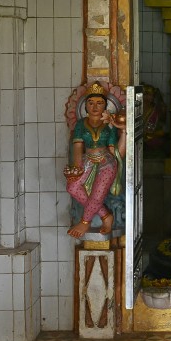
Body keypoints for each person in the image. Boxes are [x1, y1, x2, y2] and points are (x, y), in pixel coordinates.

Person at [65, 83, 126, 239]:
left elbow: (115, 151)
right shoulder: (80, 124)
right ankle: (105, 215)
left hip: (107, 161)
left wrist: (124, 132)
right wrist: (77, 168)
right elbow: (78, 147)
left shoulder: (109, 125)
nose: (95, 106)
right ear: (85, 105)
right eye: (91, 103)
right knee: (72, 187)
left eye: (99, 103)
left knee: (98, 193)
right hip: (87, 160)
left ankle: (85, 222)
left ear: (105, 105)